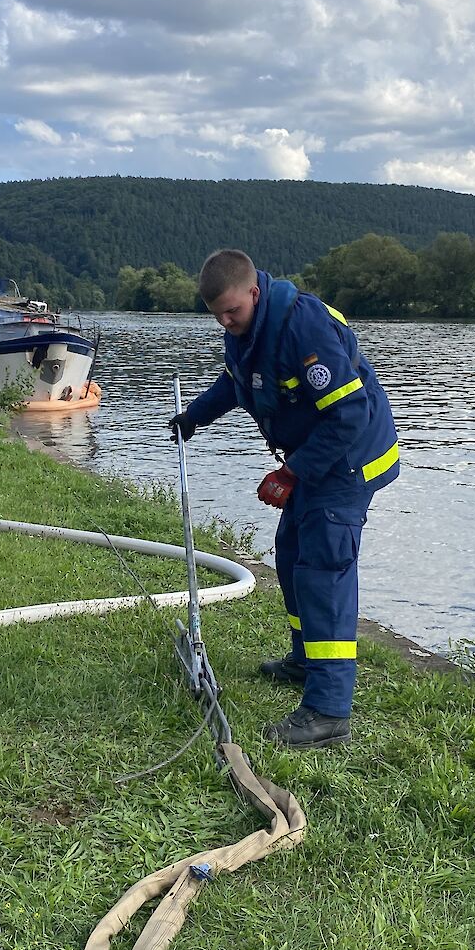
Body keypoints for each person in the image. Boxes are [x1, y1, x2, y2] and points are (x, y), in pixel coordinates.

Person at [169, 249, 400, 747]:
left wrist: (291, 473)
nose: (226, 323)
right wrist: (194, 417)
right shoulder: (247, 332)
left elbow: (350, 415)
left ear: (254, 292)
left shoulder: (304, 328)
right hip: (315, 460)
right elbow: (236, 383)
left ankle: (328, 712)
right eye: (217, 316)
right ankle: (304, 658)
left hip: (347, 462)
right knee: (292, 554)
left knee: (323, 573)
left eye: (232, 311)